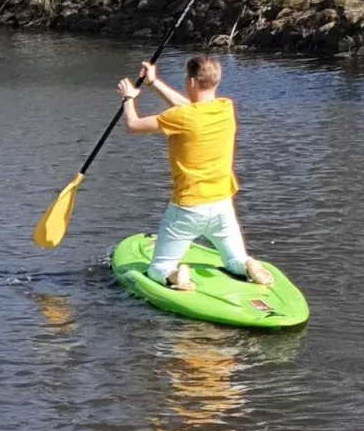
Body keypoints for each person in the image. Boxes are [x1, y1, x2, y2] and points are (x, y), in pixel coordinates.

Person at [117, 56, 274, 291]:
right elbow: (190, 109)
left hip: (187, 209)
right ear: (215, 81)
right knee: (234, 261)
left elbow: (133, 125)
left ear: (191, 82)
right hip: (222, 205)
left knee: (158, 268)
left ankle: (174, 275)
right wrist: (153, 82)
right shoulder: (225, 107)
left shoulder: (180, 117)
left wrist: (128, 98)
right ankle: (248, 264)